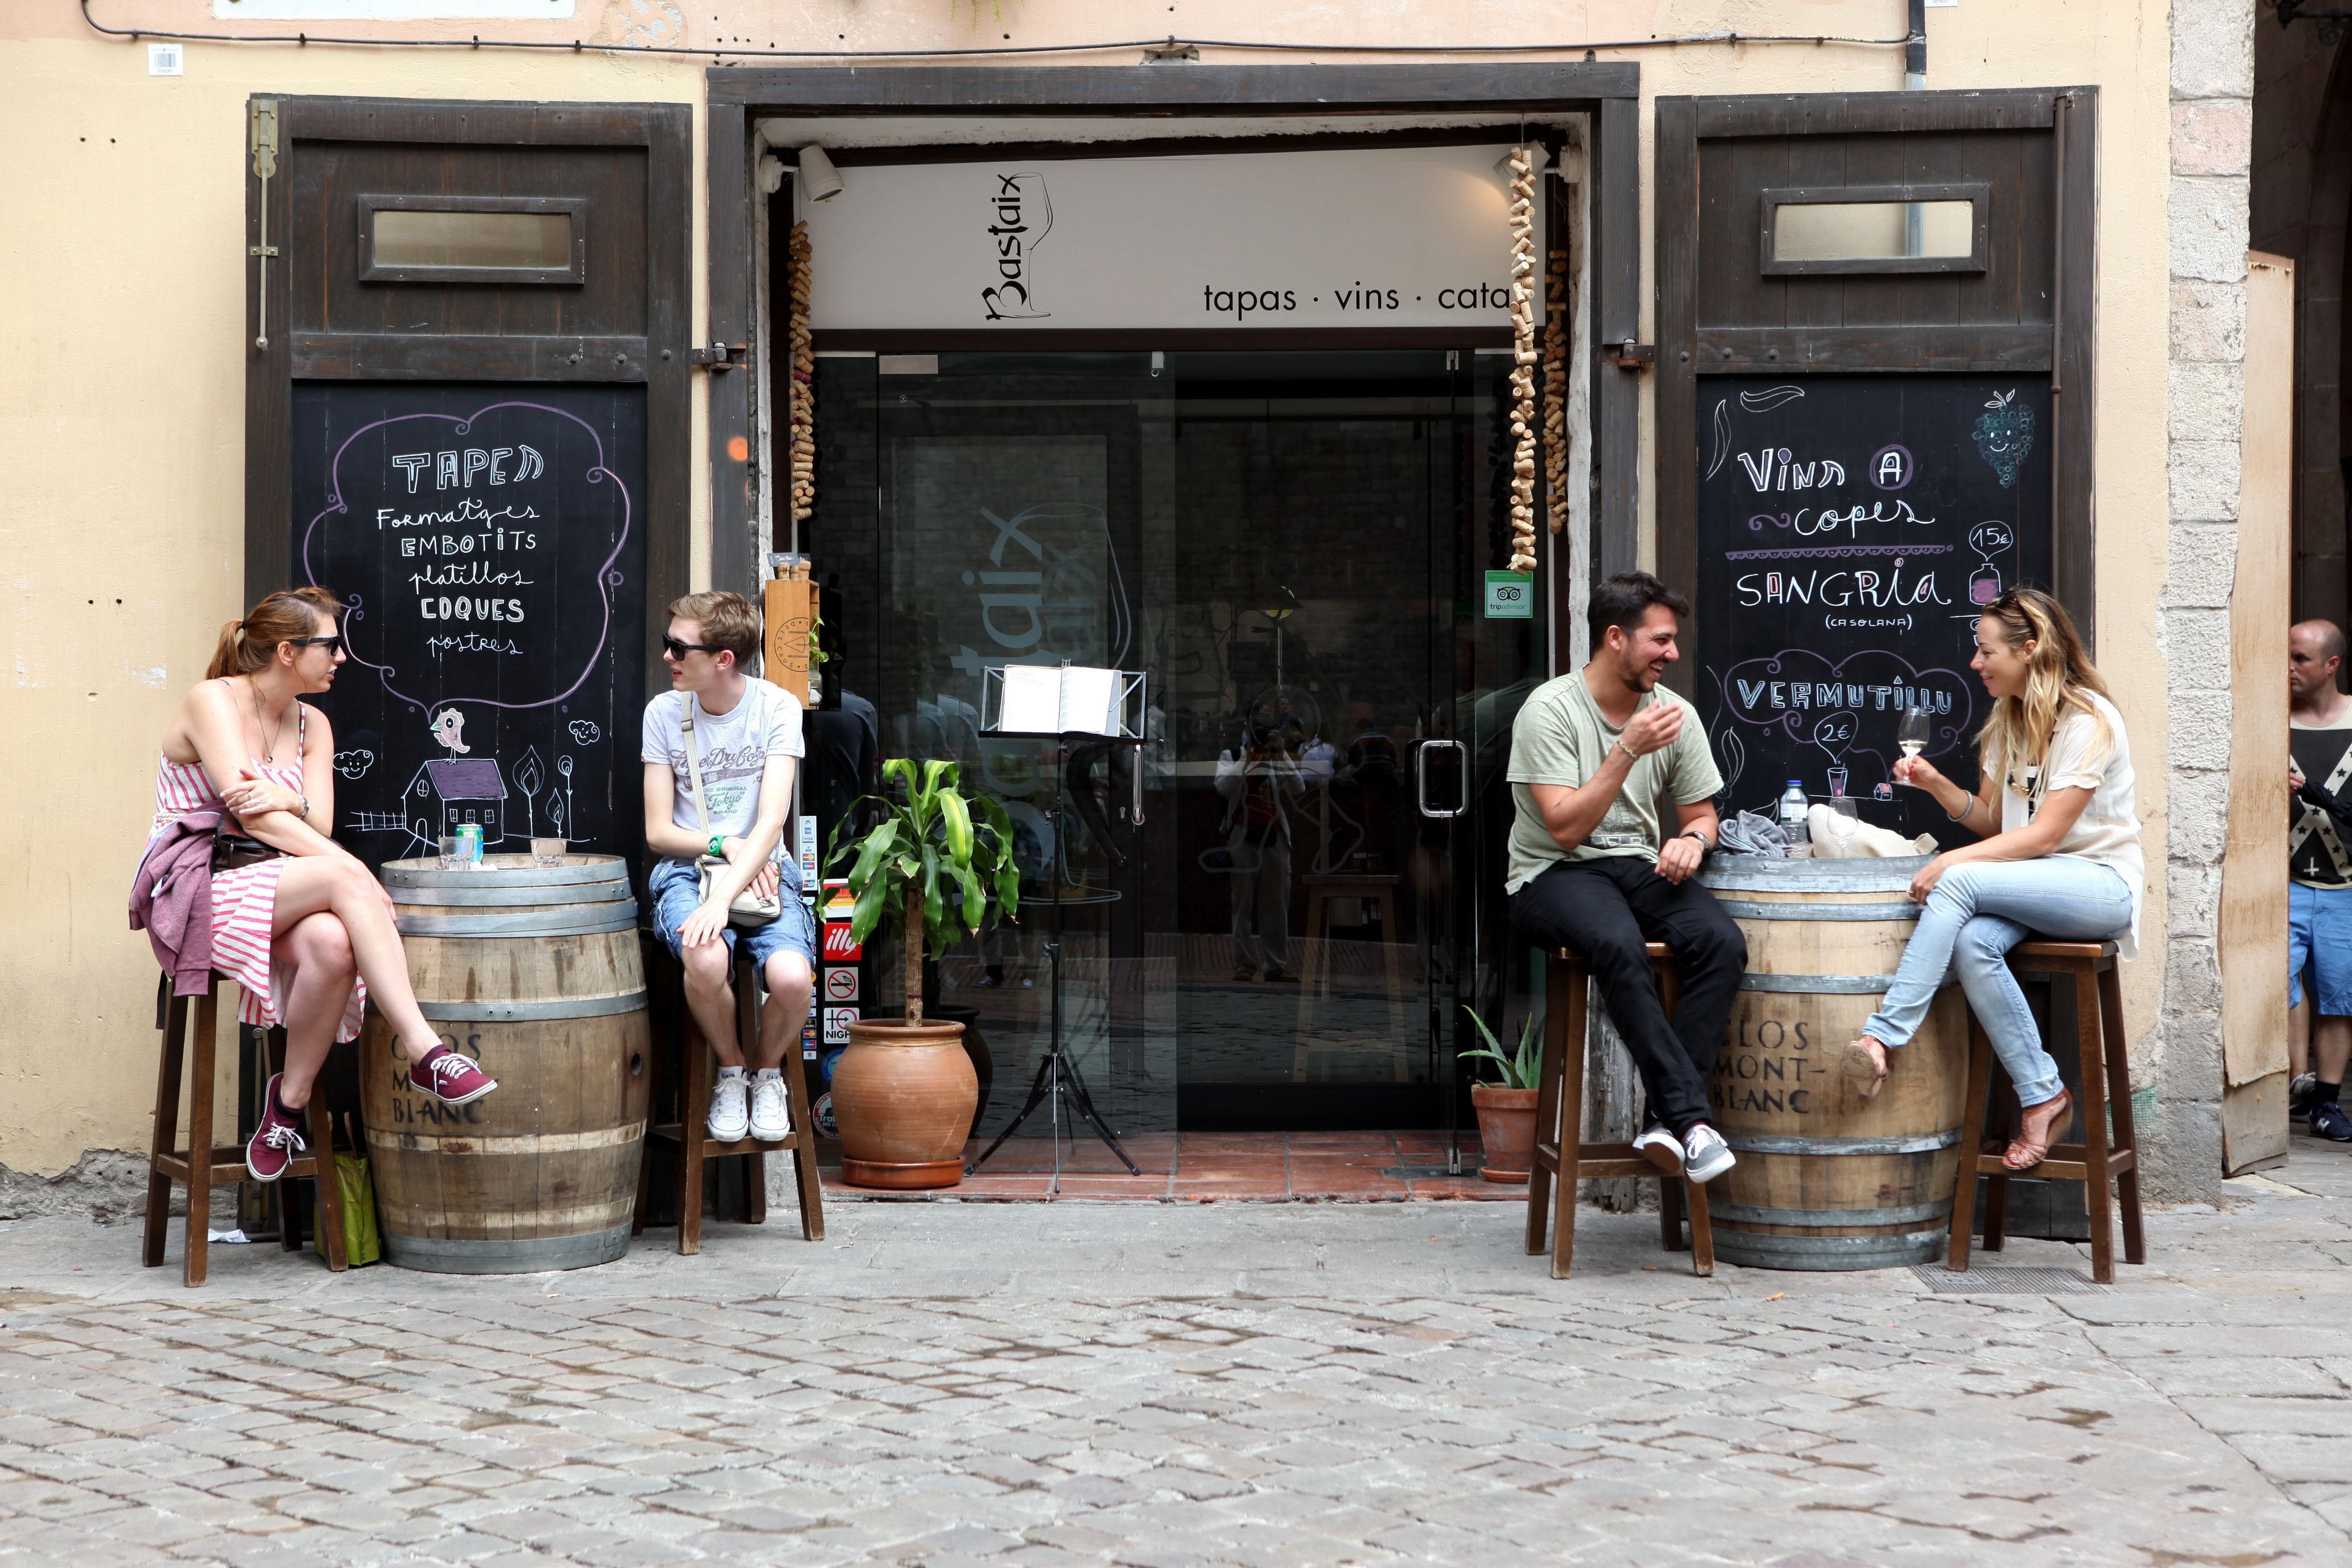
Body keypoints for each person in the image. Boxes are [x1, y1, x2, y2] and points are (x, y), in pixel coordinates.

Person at [135, 588, 497, 1185]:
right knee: (342, 874)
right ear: (285, 651)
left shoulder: (312, 723)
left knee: (333, 943)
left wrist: (290, 797)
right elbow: (252, 819)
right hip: (199, 880)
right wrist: (346, 867)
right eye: (329, 645)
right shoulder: (212, 701)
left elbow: (315, 823)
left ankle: (287, 1104)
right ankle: (426, 1049)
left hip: (277, 878)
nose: (341, 657)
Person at [1847, 588, 2143, 1171]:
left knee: (1957, 882)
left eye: (1986, 652)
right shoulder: (2007, 720)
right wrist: (1935, 783)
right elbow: (1993, 822)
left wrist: (1951, 863)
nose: (1976, 663)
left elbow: (2043, 837)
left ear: (2030, 650)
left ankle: (1880, 1038)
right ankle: (2044, 1095)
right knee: (1973, 941)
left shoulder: (2088, 719)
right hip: (2035, 882)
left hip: (2100, 885)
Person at [1505, 572, 1746, 1183]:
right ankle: (1693, 1121)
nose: (1673, 653)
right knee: (1617, 942)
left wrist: (1692, 841)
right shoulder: (1550, 710)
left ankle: (1668, 1122)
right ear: (1615, 637)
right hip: (1551, 872)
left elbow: (1701, 815)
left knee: (1720, 940)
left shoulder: (1674, 714)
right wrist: (1627, 749)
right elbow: (1563, 828)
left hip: (1634, 867)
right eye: (1660, 640)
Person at [642, 590, 818, 1143]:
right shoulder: (664, 713)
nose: (668, 656)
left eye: (679, 647)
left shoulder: (777, 708)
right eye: (666, 643)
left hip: (767, 868)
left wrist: (726, 892)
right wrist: (726, 845)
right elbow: (658, 832)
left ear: (723, 658)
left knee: (792, 980)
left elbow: (772, 821)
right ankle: (732, 1068)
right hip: (687, 869)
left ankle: (767, 1074)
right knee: (705, 957)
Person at [2288, 618, 2352, 1141]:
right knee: (2280, 983)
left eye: (2300, 659)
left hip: (2344, 889)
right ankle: (2296, 1086)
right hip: (2280, 884)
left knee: (2338, 996)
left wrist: (2320, 795)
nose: (2288, 667)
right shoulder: (2272, 720)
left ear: (2331, 665)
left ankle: (2326, 1104)